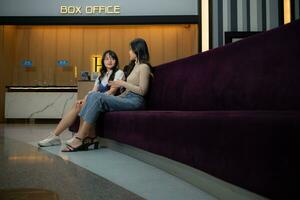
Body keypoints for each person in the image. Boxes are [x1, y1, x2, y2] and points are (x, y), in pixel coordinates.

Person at [62, 38, 152, 152]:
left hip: (136, 101)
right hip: (127, 98)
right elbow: (127, 92)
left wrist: (122, 83)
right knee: (93, 95)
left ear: (137, 50)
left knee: (97, 96)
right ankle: (89, 137)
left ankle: (79, 138)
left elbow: (143, 91)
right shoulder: (134, 66)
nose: (129, 52)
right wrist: (114, 97)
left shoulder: (144, 67)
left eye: (130, 49)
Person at [38, 50, 125, 147]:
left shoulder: (119, 73)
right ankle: (54, 136)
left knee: (83, 104)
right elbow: (93, 91)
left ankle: (76, 137)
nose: (110, 61)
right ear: (103, 61)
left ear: (116, 61)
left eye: (112, 59)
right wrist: (84, 99)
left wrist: (90, 99)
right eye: (107, 59)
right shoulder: (101, 76)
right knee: (78, 104)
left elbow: (111, 92)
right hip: (98, 101)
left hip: (110, 102)